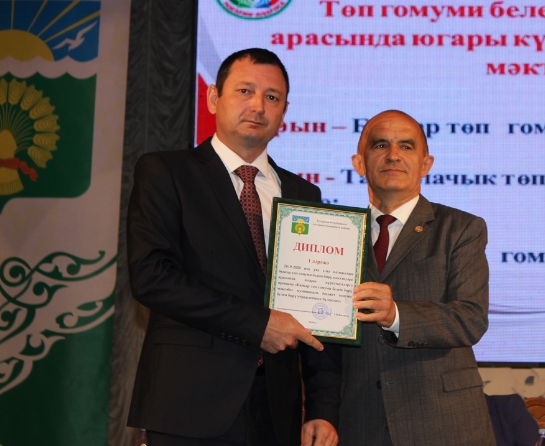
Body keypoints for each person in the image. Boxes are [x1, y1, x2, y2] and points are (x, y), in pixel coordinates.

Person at [126, 48, 339, 446]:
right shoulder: (166, 172)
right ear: (213, 98)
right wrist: (259, 325)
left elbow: (318, 306)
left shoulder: (303, 194)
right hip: (188, 403)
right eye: (245, 91)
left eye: (272, 97)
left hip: (276, 409)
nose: (258, 106)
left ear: (284, 111)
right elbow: (152, 277)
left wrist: (322, 408)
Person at [340, 110, 496, 445]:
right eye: (380, 145)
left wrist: (396, 314)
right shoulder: (335, 233)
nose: (393, 155)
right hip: (357, 421)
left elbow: (470, 319)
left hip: (443, 423)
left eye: (406, 146)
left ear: (426, 164)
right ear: (359, 163)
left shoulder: (461, 229)